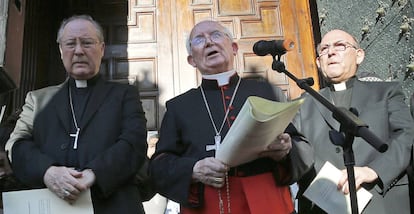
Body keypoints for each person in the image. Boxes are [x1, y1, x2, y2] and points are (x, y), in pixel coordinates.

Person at [149, 20, 313, 214]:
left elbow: (302, 147)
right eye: (199, 39)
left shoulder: (267, 91)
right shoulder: (179, 107)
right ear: (192, 60)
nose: (209, 42)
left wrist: (286, 150)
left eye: (216, 35)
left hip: (266, 200)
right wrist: (193, 169)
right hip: (208, 205)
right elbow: (159, 165)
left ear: (234, 48)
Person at [5, 15, 148, 214]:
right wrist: (48, 171)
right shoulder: (37, 99)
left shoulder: (124, 95)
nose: (79, 50)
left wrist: (94, 174)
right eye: (70, 43)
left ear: (102, 49)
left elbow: (134, 143)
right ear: (61, 50)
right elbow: (17, 144)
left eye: (87, 43)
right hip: (52, 204)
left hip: (113, 205)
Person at [293, 29, 414, 214]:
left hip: (381, 202)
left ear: (359, 56)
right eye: (324, 49)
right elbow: (293, 153)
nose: (331, 52)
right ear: (318, 62)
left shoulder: (386, 92)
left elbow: (406, 135)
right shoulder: (302, 104)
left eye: (340, 46)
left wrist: (372, 171)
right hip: (321, 207)